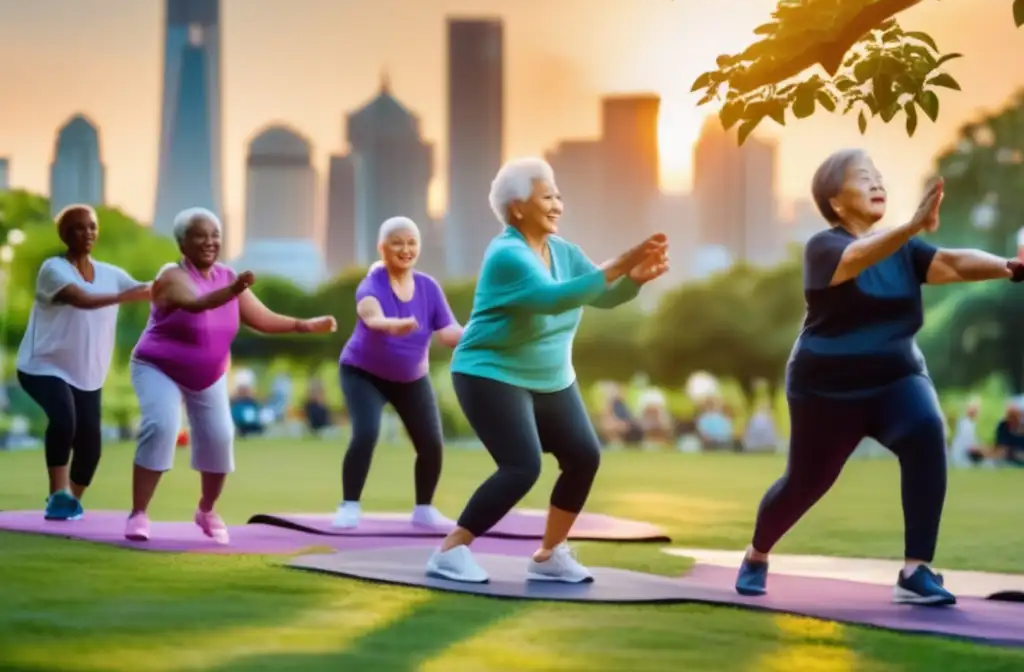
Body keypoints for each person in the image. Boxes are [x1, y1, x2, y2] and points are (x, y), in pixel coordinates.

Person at [735, 148, 1024, 606]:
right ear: (834, 201)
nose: (877, 184)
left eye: (880, 177)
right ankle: (756, 553)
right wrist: (910, 225)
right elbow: (855, 259)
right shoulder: (824, 247)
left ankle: (915, 571)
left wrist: (1008, 267)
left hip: (895, 379)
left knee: (928, 431)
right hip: (825, 389)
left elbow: (952, 262)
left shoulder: (904, 250)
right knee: (806, 483)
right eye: (863, 177)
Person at [425, 157, 669, 584]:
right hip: (491, 371)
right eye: (547, 196)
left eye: (558, 195)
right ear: (518, 207)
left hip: (552, 377)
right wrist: (619, 263)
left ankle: (549, 555)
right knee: (521, 466)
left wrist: (634, 280)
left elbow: (599, 294)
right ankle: (450, 551)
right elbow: (556, 298)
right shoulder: (507, 255)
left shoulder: (562, 251)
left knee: (583, 457)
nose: (558, 204)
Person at [124, 207, 338, 544]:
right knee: (162, 426)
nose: (209, 242)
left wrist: (304, 325)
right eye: (200, 235)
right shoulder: (170, 277)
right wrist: (234, 289)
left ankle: (206, 510)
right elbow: (196, 304)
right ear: (182, 242)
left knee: (220, 436)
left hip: (208, 373)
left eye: (215, 235)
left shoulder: (227, 276)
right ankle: (139, 513)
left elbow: (263, 319)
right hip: (158, 367)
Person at [16, 205, 150, 521]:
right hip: (42, 365)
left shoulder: (111, 274)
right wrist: (125, 297)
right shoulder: (53, 269)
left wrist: (182, 284)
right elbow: (82, 299)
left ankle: (69, 502)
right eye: (78, 228)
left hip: (87, 373)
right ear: (64, 234)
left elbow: (147, 290)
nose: (86, 233)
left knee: (91, 448)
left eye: (91, 227)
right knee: (64, 419)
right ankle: (58, 494)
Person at [333, 216, 463, 529]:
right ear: (382, 248)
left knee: (431, 442)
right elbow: (371, 315)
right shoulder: (372, 284)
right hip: (363, 374)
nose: (405, 249)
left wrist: (483, 332)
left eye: (411, 243)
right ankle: (349, 504)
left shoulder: (429, 287)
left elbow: (448, 333)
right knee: (366, 434)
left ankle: (424, 509)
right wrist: (393, 325)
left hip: (411, 379)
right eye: (397, 243)